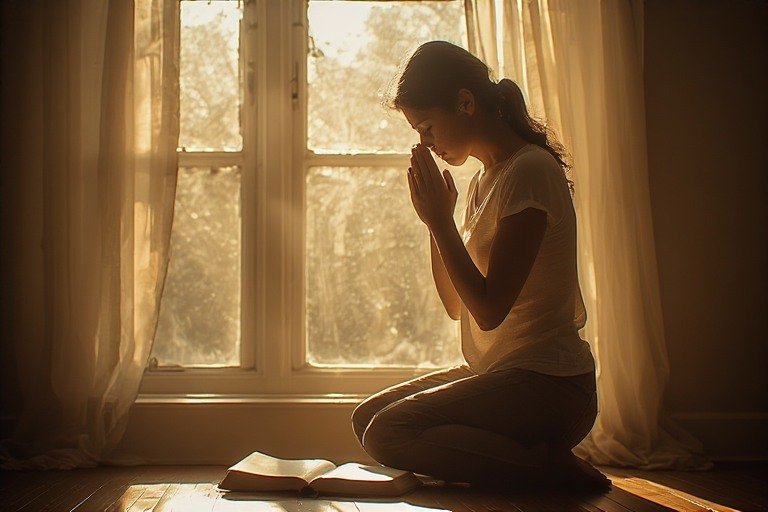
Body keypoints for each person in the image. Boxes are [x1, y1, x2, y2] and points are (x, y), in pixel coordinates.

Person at [351, 41, 610, 492]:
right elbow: (457, 306)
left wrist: (441, 223)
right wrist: (438, 224)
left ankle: (546, 470)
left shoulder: (530, 170)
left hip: (551, 387)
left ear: (465, 103)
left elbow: (490, 311)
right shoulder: (483, 182)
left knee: (388, 432)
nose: (425, 145)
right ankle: (524, 460)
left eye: (427, 128)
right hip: (499, 376)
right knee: (367, 419)